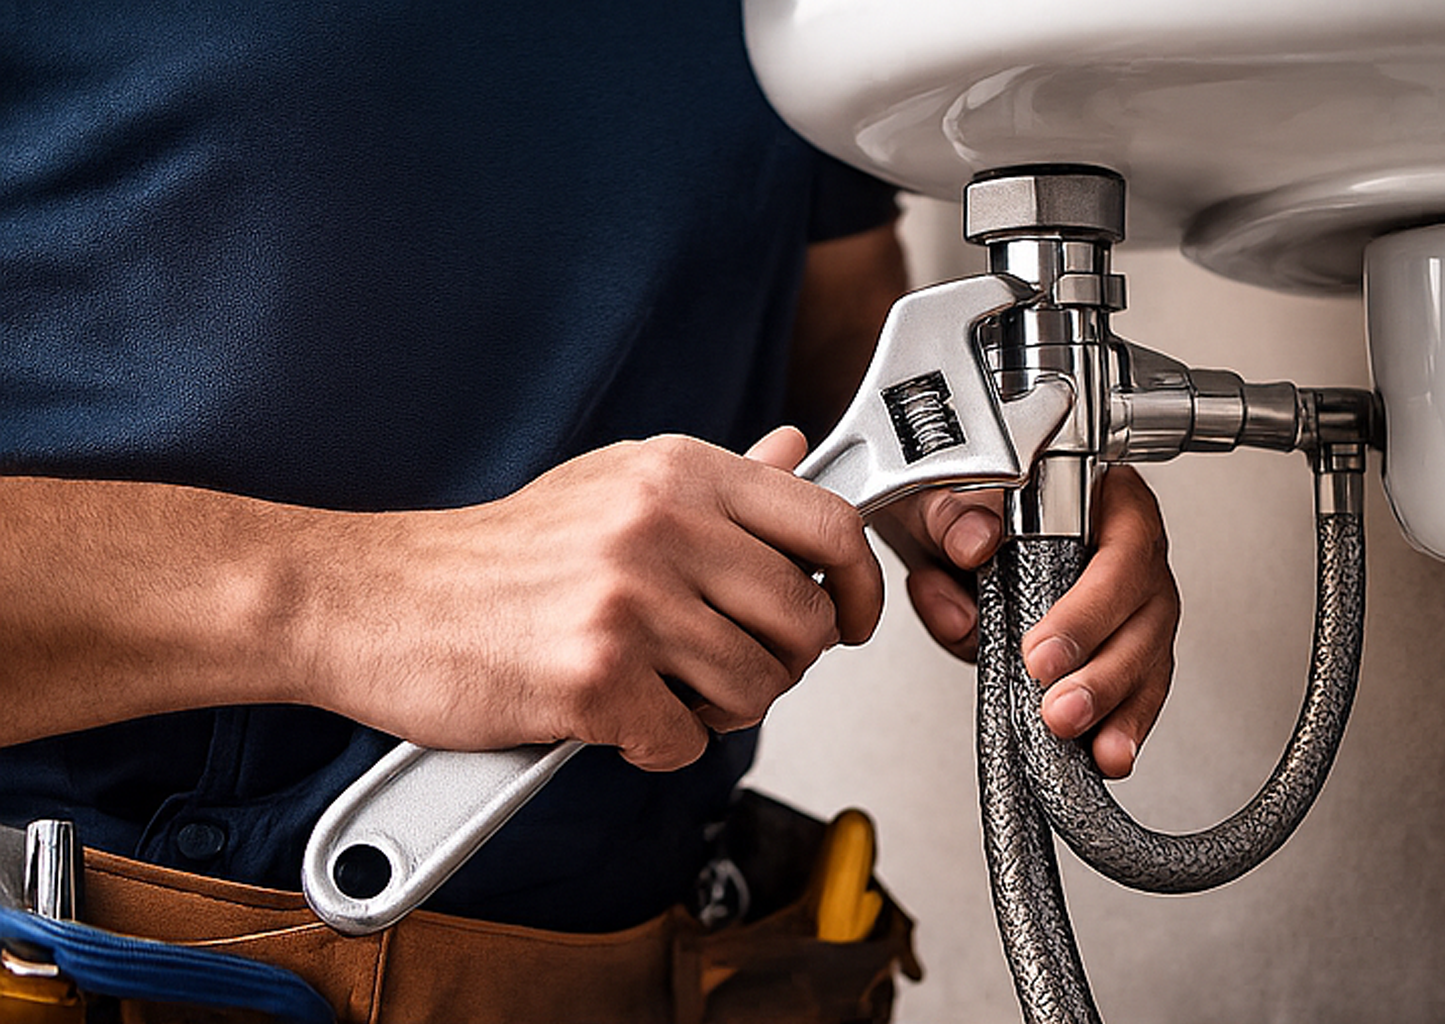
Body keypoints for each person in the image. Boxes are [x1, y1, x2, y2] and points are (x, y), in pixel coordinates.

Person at [0, 1, 1178, 1019]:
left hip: (651, 961)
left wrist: (976, 462)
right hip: (95, 953)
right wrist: (353, 592)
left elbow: (831, 300)